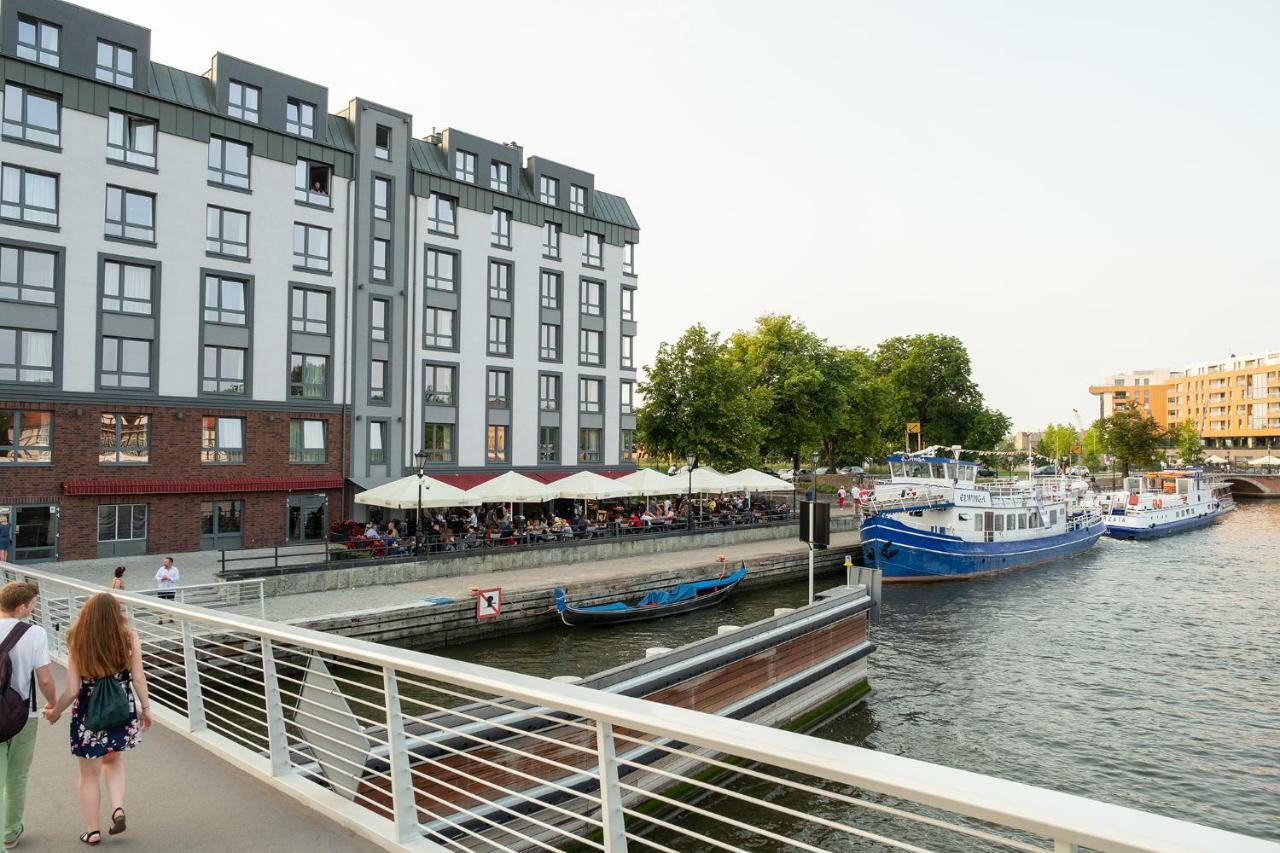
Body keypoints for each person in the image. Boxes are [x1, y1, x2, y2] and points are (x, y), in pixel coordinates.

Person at [44, 593, 152, 846]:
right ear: (117, 614)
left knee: (89, 774)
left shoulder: (78, 640)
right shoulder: (129, 637)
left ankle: (92, 831)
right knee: (114, 760)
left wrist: (56, 711)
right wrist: (145, 708)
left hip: (89, 712)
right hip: (120, 708)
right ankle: (117, 808)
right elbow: (137, 677)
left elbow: (72, 689)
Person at [0, 582, 57, 849]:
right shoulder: (35, 633)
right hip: (23, 714)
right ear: (21, 606)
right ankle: (10, 832)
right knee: (16, 776)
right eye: (33, 603)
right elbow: (45, 679)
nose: (34, 607)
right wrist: (54, 705)